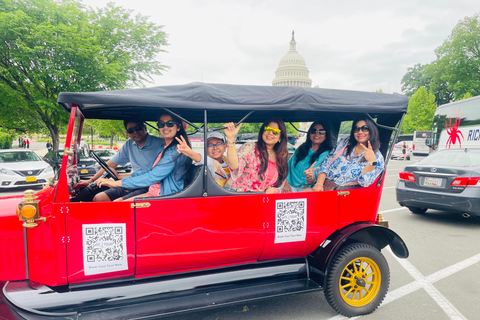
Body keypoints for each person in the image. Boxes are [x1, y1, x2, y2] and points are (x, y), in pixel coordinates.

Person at [96, 113, 191, 200]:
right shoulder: (163, 147)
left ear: (178, 127)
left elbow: (152, 176)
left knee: (120, 206)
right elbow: (149, 171)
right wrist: (119, 177)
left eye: (170, 124)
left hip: (167, 194)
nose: (165, 127)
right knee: (105, 199)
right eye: (161, 124)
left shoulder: (176, 150)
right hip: (155, 189)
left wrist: (116, 183)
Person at [77, 119, 162, 201]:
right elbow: (109, 165)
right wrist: (91, 180)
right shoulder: (129, 144)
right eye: (131, 130)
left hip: (150, 185)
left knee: (119, 203)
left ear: (145, 127)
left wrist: (119, 177)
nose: (135, 132)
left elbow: (153, 174)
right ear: (127, 133)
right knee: (99, 198)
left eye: (138, 128)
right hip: (132, 182)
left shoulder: (160, 144)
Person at [312, 117, 385, 191]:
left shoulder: (378, 158)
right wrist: (319, 184)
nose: (360, 132)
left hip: (345, 194)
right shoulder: (345, 143)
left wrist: (371, 162)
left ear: (372, 130)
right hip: (324, 186)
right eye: (356, 129)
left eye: (365, 128)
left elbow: (364, 183)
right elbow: (326, 163)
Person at [223, 118, 288, 193]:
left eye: (275, 132)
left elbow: (278, 184)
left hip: (260, 200)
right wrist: (231, 138)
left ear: (280, 137)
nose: (270, 133)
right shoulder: (250, 148)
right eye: (267, 129)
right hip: (236, 195)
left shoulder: (280, 157)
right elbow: (234, 165)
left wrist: (271, 190)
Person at [285, 121, 333, 192]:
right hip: (290, 186)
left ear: (326, 136)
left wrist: (309, 177)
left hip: (308, 189)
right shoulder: (301, 148)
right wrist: (286, 183)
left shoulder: (326, 154)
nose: (317, 134)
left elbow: (314, 179)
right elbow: (288, 165)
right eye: (313, 131)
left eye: (321, 132)